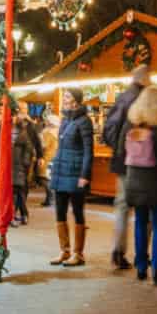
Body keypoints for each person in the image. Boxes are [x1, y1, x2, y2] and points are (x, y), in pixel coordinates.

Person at [121, 86, 157, 284]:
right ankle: (156, 270)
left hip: (135, 181)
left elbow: (122, 152)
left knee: (140, 222)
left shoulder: (133, 124)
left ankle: (140, 266)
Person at [103, 65, 153, 269]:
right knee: (146, 207)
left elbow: (108, 129)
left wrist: (118, 150)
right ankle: (143, 253)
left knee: (122, 206)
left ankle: (118, 249)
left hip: (122, 161)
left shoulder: (122, 97)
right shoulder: (147, 98)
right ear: (145, 78)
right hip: (144, 163)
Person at [47, 89, 94, 267]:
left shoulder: (84, 121)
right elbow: (61, 147)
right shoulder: (65, 120)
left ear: (76, 101)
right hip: (61, 172)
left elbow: (88, 151)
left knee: (77, 212)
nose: (64, 100)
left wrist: (85, 175)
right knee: (59, 212)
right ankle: (64, 250)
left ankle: (78, 253)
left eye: (67, 97)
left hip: (75, 174)